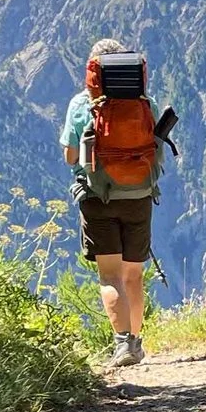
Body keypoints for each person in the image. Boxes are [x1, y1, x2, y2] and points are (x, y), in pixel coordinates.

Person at [61, 36, 161, 367]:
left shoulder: (80, 105)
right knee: (133, 274)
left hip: (97, 197)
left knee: (110, 275)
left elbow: (71, 157)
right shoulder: (147, 102)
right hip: (139, 196)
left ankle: (123, 344)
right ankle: (137, 342)